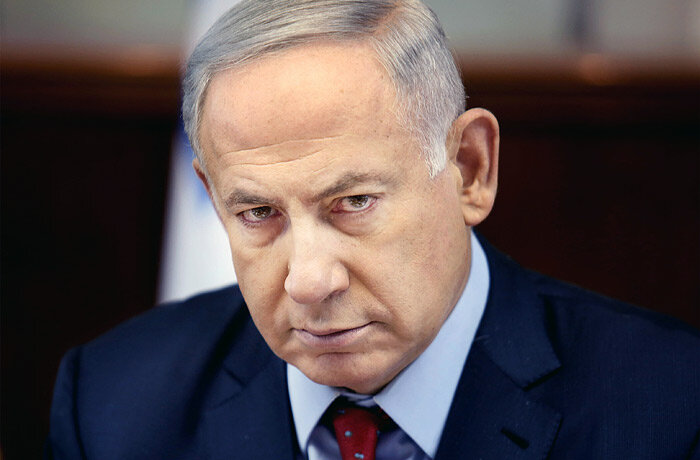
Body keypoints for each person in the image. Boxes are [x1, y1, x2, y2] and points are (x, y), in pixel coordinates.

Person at [46, 1, 699, 459]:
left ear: (470, 168)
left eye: (353, 202)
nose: (308, 282)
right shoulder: (111, 407)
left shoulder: (672, 407)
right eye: (258, 214)